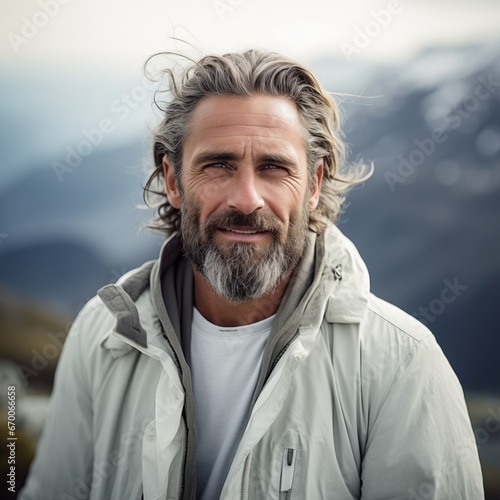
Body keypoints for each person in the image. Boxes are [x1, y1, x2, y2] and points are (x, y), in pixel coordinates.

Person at [20, 49, 483, 500]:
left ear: (314, 186)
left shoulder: (401, 363)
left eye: (274, 168)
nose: (246, 199)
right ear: (174, 180)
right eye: (218, 164)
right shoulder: (103, 334)